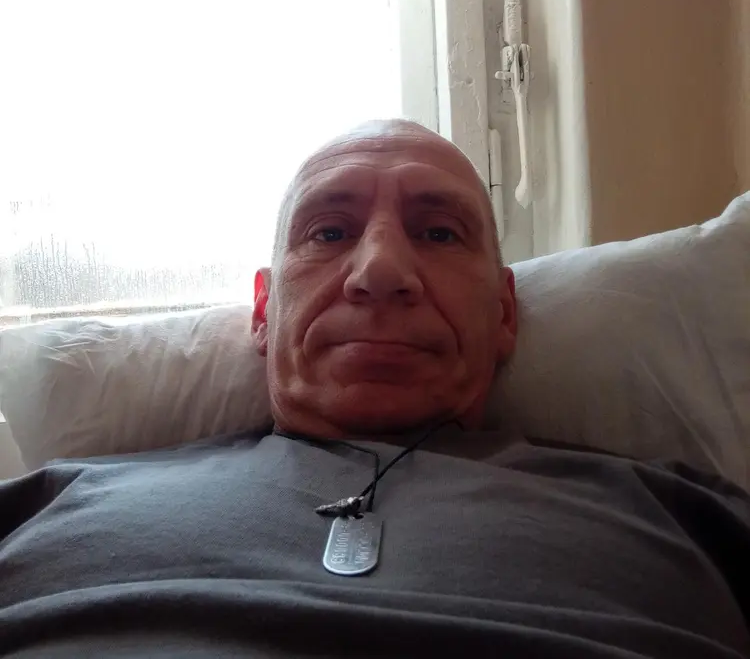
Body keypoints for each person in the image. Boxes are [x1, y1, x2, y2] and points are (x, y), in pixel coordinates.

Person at [0, 119, 749, 658]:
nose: (380, 271)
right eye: (329, 232)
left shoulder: (689, 516)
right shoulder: (48, 502)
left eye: (439, 233)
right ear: (263, 311)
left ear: (504, 314)